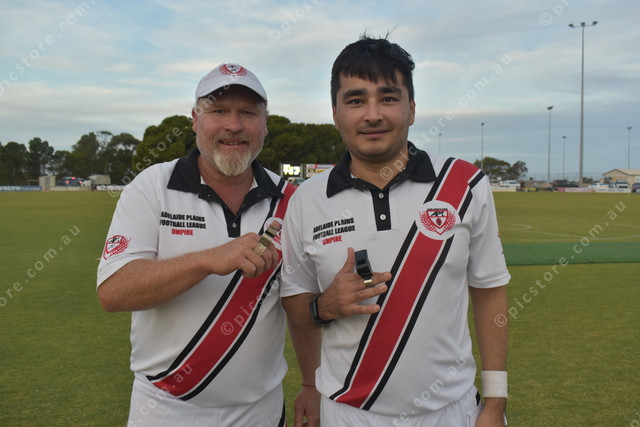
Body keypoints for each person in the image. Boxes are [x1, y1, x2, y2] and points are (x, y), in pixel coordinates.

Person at [281, 35, 510, 426]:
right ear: (336, 113)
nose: (373, 115)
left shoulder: (465, 183)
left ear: (412, 108)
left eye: (388, 98)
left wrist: (495, 402)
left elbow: (489, 292)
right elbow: (294, 304)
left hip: (451, 411)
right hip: (348, 414)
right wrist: (324, 306)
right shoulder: (307, 199)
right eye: (356, 101)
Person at [97, 63, 296, 426]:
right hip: (165, 407)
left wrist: (311, 383)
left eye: (247, 113)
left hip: (261, 408)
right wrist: (207, 260)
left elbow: (302, 303)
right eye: (218, 111)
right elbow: (113, 292)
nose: (233, 125)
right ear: (195, 119)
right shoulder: (153, 186)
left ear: (265, 123)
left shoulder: (291, 199)